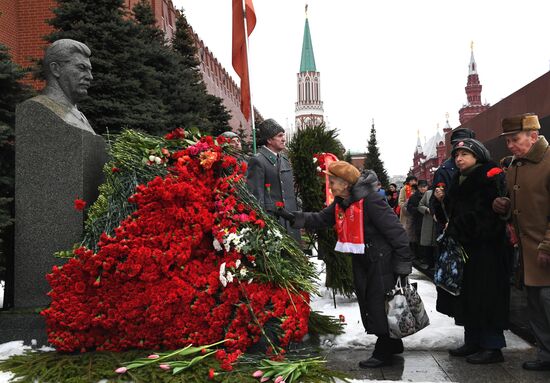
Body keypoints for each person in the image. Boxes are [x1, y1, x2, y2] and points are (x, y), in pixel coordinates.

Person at [277, 161, 412, 368]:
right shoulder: (342, 202)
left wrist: (402, 264)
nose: (329, 185)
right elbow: (322, 218)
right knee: (372, 301)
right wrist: (294, 217)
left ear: (346, 183)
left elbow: (397, 232)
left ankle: (384, 349)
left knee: (378, 303)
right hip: (363, 259)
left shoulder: (371, 200)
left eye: (332, 181)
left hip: (381, 260)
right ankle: (394, 344)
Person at [434, 138, 511, 364]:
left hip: (487, 250)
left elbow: (487, 216)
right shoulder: (459, 179)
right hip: (467, 248)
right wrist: (442, 202)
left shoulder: (489, 176)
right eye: (456, 155)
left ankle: (492, 346)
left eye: (464, 154)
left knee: (487, 296)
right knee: (469, 295)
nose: (459, 159)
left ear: (477, 156)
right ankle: (473, 340)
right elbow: (454, 210)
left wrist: (458, 227)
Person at [493, 113, 550, 371]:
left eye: (515, 139)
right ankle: (545, 354)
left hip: (544, 250)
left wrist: (548, 244)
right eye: (507, 142)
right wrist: (503, 207)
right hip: (528, 253)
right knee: (535, 306)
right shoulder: (516, 165)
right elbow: (517, 207)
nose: (510, 146)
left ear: (533, 136)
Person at [246, 119, 300, 241]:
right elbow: (255, 197)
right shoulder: (258, 161)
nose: (284, 139)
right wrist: (263, 224)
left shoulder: (284, 159)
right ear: (269, 140)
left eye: (283, 135)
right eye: (279, 136)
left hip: (291, 220)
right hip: (274, 222)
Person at [36, 39, 95, 134]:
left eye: (90, 70)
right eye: (81, 68)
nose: (90, 77)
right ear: (56, 69)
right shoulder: (39, 109)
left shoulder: (79, 115)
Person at [406, 179, 429, 268]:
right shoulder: (413, 197)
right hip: (418, 220)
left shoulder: (430, 195)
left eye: (424, 187)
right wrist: (418, 210)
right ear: (418, 187)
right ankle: (420, 257)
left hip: (429, 220)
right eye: (421, 187)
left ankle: (427, 258)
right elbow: (409, 208)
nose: (423, 189)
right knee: (419, 238)